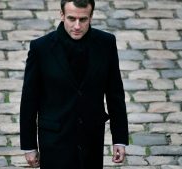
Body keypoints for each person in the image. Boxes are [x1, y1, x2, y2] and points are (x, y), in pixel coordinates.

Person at [19, 0, 129, 168]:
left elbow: (115, 94)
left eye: (83, 19)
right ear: (62, 15)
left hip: (91, 138)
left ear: (91, 17)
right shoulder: (41, 48)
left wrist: (120, 139)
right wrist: (29, 145)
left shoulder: (106, 43)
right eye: (71, 19)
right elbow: (29, 100)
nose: (77, 26)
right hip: (54, 139)